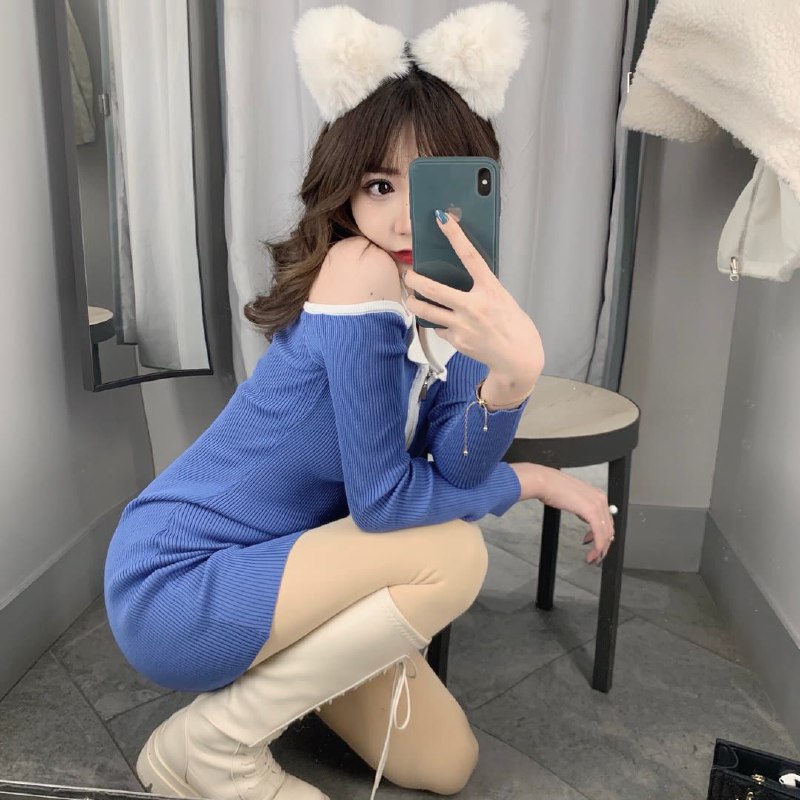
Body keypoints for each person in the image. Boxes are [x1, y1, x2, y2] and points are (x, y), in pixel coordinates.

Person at [103, 4, 617, 800]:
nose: (404, 215)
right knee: (454, 553)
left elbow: (456, 463)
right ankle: (210, 748)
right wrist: (534, 480)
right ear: (346, 191)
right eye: (380, 184)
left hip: (294, 568)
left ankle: (274, 676)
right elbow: (382, 504)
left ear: (477, 185)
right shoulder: (359, 271)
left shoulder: (441, 297)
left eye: (432, 183)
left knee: (445, 764)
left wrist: (509, 380)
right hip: (179, 580)